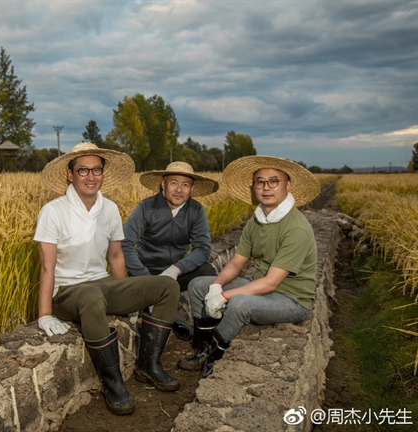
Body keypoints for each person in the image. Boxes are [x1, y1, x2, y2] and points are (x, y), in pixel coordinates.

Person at [34, 142, 181, 416]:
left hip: (101, 283)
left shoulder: (110, 208)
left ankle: (148, 366)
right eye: (83, 170)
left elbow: (115, 256)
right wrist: (44, 315)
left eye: (97, 170)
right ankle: (113, 383)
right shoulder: (53, 211)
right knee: (91, 296)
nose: (91, 177)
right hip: (67, 292)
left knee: (167, 285)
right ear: (70, 174)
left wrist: (127, 301)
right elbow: (47, 268)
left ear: (103, 173)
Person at [178, 155, 321, 379]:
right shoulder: (258, 220)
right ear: (253, 187)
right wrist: (216, 286)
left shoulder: (296, 229)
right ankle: (203, 348)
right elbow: (236, 262)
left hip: (291, 298)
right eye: (260, 182)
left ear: (287, 185)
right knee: (198, 285)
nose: (266, 188)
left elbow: (272, 282)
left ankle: (216, 356)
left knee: (240, 304)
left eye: (274, 181)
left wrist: (225, 296)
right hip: (260, 283)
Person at [122, 161, 219, 340]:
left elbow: (203, 248)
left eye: (185, 184)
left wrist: (175, 269)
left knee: (208, 272)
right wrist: (146, 277)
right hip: (145, 274)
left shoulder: (196, 210)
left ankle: (204, 337)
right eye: (174, 182)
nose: (179, 190)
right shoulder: (146, 207)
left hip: (175, 274)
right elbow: (125, 244)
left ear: (192, 188)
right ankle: (166, 317)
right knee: (142, 290)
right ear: (163, 184)